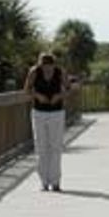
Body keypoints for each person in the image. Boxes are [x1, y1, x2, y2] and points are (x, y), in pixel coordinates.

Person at [25, 52, 68, 191]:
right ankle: (44, 181)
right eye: (44, 66)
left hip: (57, 112)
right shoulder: (34, 72)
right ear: (40, 64)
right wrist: (38, 96)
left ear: (54, 64)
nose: (47, 69)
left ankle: (55, 182)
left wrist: (59, 95)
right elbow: (26, 89)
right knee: (41, 146)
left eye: (50, 66)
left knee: (56, 147)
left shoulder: (60, 72)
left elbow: (69, 87)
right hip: (39, 112)